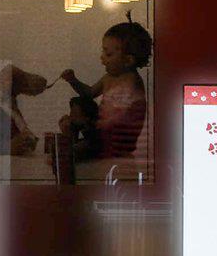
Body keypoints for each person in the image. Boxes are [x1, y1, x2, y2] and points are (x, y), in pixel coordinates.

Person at [58, 19, 151, 161]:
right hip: (103, 133)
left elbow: (123, 117)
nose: (102, 59)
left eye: (108, 54)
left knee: (74, 151)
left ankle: (75, 148)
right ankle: (74, 141)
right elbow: (89, 93)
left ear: (128, 60)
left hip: (117, 139)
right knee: (78, 107)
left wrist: (89, 123)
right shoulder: (108, 77)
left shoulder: (131, 83)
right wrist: (73, 80)